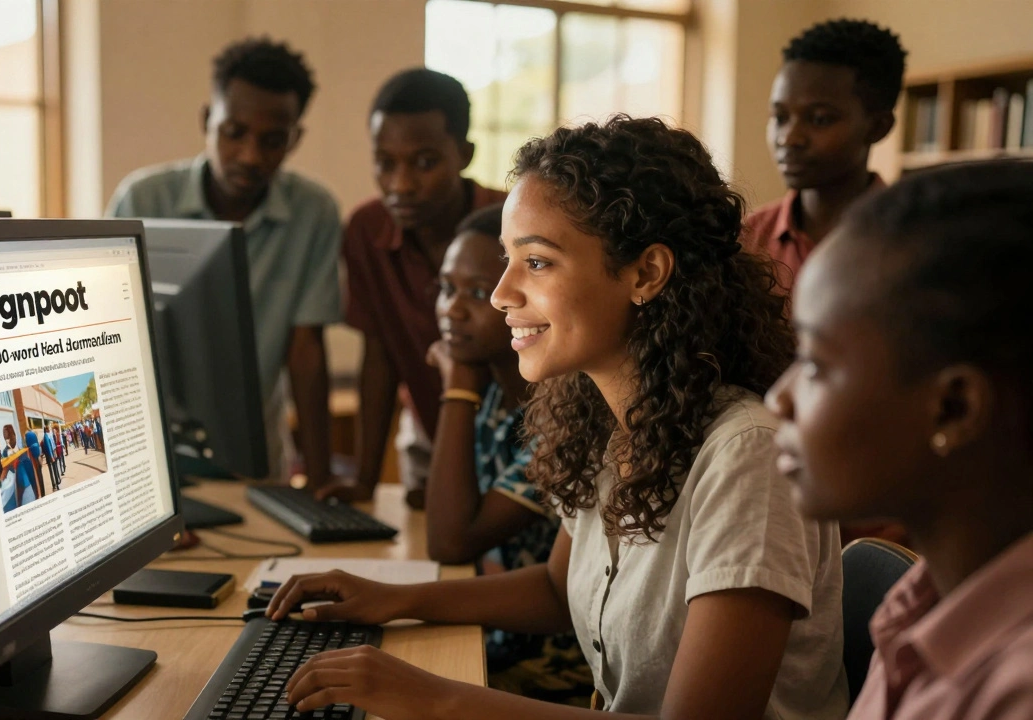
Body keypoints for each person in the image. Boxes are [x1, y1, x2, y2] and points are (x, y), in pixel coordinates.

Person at [270, 117, 845, 720]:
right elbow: (554, 588)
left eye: (537, 263)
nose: (500, 294)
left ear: (646, 273)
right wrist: (393, 599)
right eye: (507, 259)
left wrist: (433, 697)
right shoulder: (614, 418)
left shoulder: (748, 454)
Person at [766, 160, 1033, 720]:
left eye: (813, 365)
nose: (778, 400)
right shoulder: (924, 598)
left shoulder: (1015, 690)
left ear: (954, 408)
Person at [107, 37, 342, 487]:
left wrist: (319, 477)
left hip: (253, 462)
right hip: (141, 458)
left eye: (273, 140)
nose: (250, 156)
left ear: (295, 138)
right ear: (207, 120)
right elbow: (104, 335)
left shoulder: (314, 212)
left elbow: (306, 350)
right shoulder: (141, 199)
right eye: (234, 133)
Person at [316, 68, 507, 507]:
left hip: (520, 445)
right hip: (429, 436)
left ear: (463, 153)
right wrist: (364, 482)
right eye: (385, 163)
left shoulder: (509, 224)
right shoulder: (368, 230)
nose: (401, 185)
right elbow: (379, 355)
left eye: (424, 162)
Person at [426, 203, 592, 704]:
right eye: (446, 287)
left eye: (476, 293)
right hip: (498, 642)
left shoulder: (566, 413)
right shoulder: (498, 392)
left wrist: (456, 388)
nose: (452, 310)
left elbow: (452, 540)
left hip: (552, 668)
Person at [743, 19, 906, 291]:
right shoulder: (746, 241)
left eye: (819, 119)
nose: (789, 138)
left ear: (878, 127)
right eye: (780, 117)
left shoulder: (914, 244)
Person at [3, 425, 36, 507]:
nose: (9, 441)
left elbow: (31, 473)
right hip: (14, 492)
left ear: (15, 436)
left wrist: (36, 491)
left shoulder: (23, 452)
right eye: (6, 438)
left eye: (11, 437)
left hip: (27, 488)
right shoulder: (4, 455)